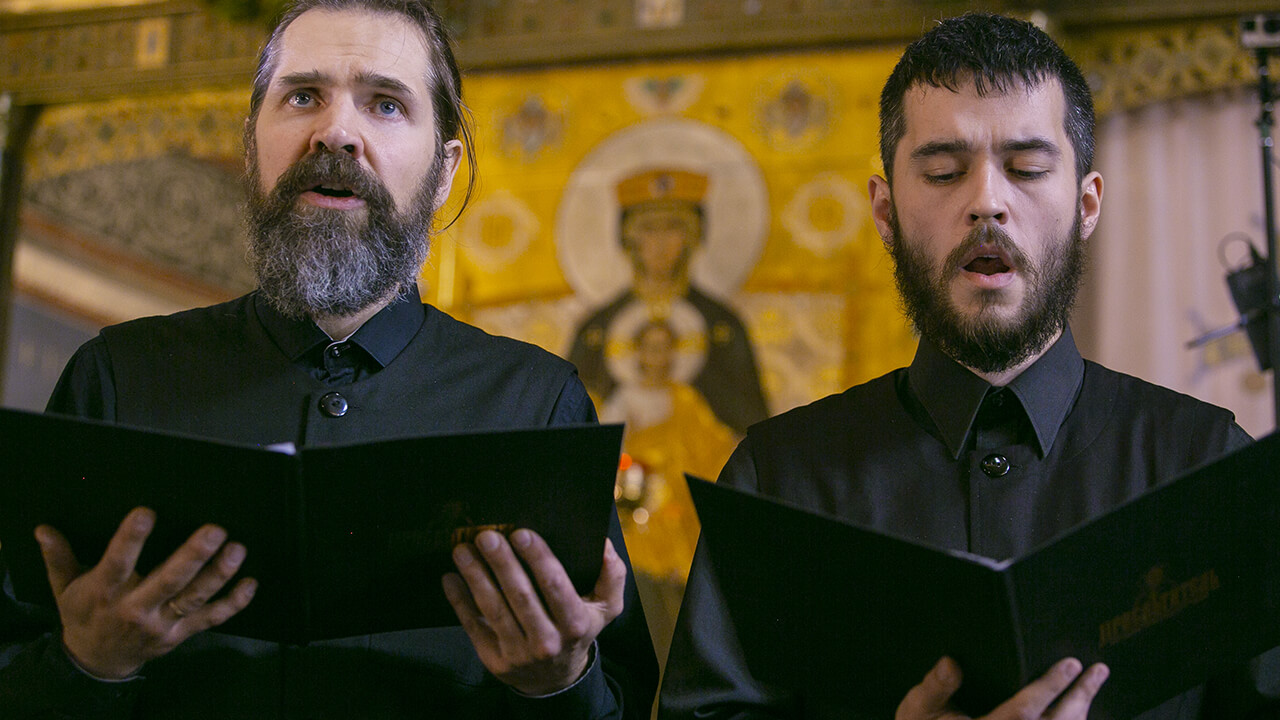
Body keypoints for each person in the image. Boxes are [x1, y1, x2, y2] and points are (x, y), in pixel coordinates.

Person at [0, 0, 658, 716]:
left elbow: (622, 697)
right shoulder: (118, 378)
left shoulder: (536, 403)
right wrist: (88, 665)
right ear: (253, 146)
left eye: (385, 104)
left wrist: (557, 685)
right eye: (304, 96)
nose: (337, 133)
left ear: (443, 172)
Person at [658, 12, 1279, 720]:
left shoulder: (1206, 466)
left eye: (1028, 168)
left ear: (1086, 204)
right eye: (945, 172)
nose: (987, 201)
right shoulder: (779, 480)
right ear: (886, 212)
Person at [568, 168, 769, 436]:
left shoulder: (722, 326)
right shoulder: (597, 329)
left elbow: (750, 425)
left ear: (692, 236)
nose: (660, 243)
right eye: (648, 229)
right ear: (629, 237)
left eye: (674, 227)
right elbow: (572, 428)